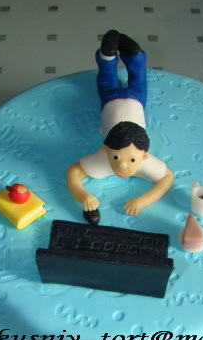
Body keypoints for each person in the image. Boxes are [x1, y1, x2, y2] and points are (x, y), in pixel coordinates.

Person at [66, 30, 174, 224]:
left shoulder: (117, 156)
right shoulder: (108, 155)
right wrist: (83, 196)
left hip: (118, 101)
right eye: (116, 157)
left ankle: (121, 56)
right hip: (127, 101)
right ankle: (129, 56)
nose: (123, 165)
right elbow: (167, 177)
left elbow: (74, 172)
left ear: (144, 155)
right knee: (128, 79)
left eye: (132, 159)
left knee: (117, 80)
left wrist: (142, 201)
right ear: (106, 149)